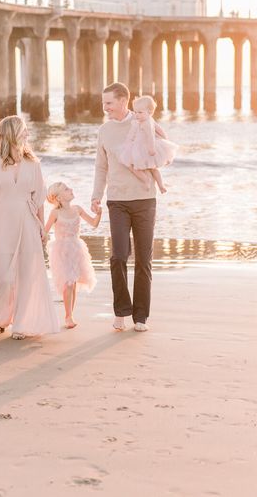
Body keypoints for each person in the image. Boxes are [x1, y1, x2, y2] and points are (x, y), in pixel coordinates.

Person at [0, 115, 59, 340]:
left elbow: (39, 197)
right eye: (23, 130)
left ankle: (21, 325)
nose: (27, 134)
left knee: (26, 275)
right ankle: (0, 313)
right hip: (1, 222)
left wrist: (43, 228)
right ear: (11, 133)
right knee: (4, 276)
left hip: (27, 221)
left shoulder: (33, 163)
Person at [91, 82, 156, 333]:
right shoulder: (105, 131)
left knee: (143, 259)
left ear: (123, 101)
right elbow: (101, 166)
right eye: (104, 103)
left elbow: (159, 148)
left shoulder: (141, 122)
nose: (105, 107)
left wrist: (154, 176)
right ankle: (121, 310)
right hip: (116, 200)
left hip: (144, 200)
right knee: (118, 256)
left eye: (108, 103)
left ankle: (141, 316)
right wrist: (96, 195)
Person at [45, 182, 100, 329]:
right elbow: (44, 231)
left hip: (76, 248)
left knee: (74, 282)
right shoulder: (55, 213)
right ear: (58, 197)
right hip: (61, 250)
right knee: (68, 282)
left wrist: (99, 214)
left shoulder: (77, 209)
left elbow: (94, 223)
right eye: (66, 189)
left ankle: (70, 314)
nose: (71, 189)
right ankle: (68, 316)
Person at [118, 95, 178, 194]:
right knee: (152, 168)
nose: (137, 115)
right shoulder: (142, 121)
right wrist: (164, 138)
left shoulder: (147, 123)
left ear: (149, 112)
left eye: (140, 112)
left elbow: (151, 136)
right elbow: (158, 130)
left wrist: (154, 147)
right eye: (136, 112)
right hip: (140, 146)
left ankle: (151, 182)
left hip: (146, 147)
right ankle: (158, 185)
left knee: (133, 165)